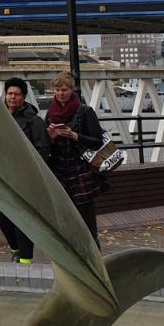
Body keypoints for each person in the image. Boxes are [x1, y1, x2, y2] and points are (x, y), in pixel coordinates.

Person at [44, 70, 108, 241]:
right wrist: (50, 138)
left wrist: (76, 136)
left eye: (64, 90)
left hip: (81, 170)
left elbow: (98, 141)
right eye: (57, 90)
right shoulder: (51, 113)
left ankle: (93, 251)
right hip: (59, 169)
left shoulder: (85, 111)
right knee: (63, 213)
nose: (60, 94)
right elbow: (44, 145)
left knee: (86, 216)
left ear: (72, 90)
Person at [0, 77, 48, 263]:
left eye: (16, 94)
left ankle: (25, 260)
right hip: (2, 176)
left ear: (24, 97)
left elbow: (42, 151)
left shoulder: (34, 122)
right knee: (2, 216)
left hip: (25, 178)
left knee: (22, 219)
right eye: (9, 93)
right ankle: (16, 250)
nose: (12, 97)